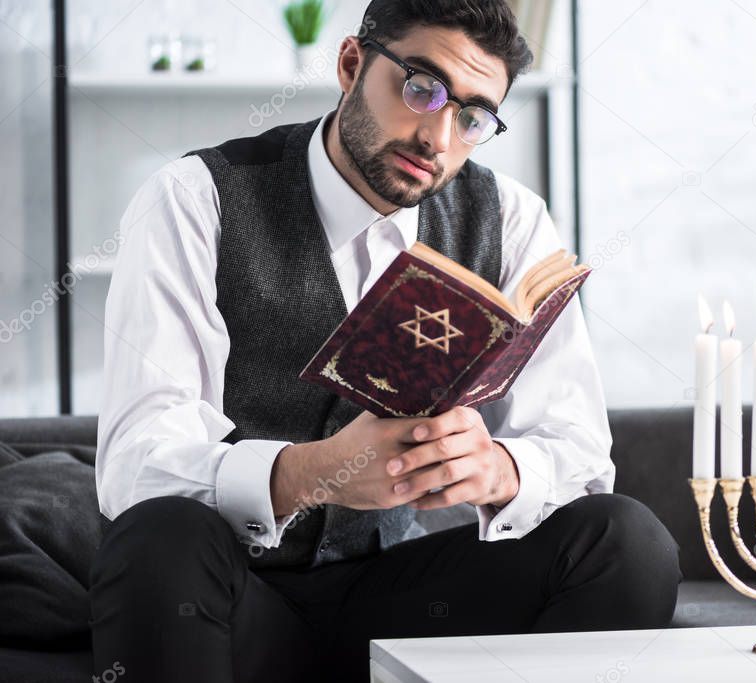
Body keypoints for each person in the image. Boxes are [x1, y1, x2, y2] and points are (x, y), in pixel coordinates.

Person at [88, 1, 681, 680]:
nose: (437, 136)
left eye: (471, 116)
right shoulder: (195, 200)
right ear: (350, 65)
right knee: (159, 536)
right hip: (233, 598)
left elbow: (579, 456)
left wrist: (497, 470)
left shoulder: (512, 220)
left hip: (404, 601)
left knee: (625, 541)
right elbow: (137, 466)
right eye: (420, 87)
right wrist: (306, 473)